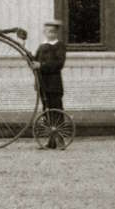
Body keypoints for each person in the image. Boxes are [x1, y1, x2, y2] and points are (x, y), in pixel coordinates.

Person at [34, 20, 68, 149]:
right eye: (48, 31)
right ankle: (51, 141)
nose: (51, 33)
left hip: (54, 83)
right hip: (42, 83)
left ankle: (60, 140)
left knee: (56, 110)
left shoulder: (59, 46)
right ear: (44, 32)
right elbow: (34, 60)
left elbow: (59, 64)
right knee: (46, 111)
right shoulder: (42, 46)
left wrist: (41, 65)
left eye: (53, 31)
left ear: (57, 32)